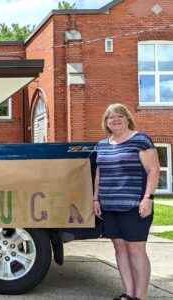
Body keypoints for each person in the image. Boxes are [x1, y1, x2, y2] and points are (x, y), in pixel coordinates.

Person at [93, 103, 160, 300]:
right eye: (110, 117)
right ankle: (128, 294)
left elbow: (154, 170)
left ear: (127, 118)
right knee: (119, 249)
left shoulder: (140, 140)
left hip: (135, 205)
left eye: (119, 116)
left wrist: (147, 198)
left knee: (135, 249)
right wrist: (96, 198)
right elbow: (99, 173)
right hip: (109, 206)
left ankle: (141, 296)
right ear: (106, 122)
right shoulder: (102, 144)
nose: (115, 119)